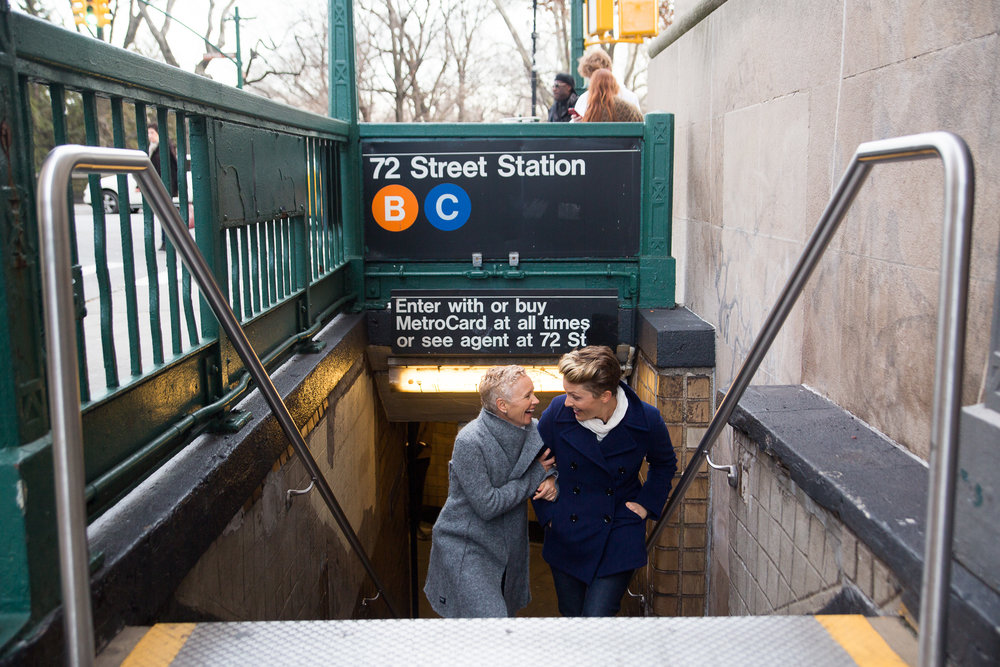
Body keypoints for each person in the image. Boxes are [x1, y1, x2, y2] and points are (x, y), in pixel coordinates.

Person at [533, 346, 677, 617]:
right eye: (566, 393)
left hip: (618, 532)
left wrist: (646, 505)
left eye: (575, 396)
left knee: (598, 618)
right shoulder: (557, 413)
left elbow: (664, 464)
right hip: (567, 532)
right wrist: (550, 515)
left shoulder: (646, 419)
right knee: (573, 618)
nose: (567, 402)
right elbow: (535, 462)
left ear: (605, 396)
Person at [423, 366, 558, 618]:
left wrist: (551, 479)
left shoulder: (534, 430)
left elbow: (552, 463)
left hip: (507, 546)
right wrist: (537, 475)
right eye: (527, 396)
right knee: (492, 623)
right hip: (467, 546)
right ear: (502, 405)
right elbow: (488, 505)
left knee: (496, 625)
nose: (536, 401)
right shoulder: (470, 441)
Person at [573, 47, 640, 118]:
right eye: (590, 78)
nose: (594, 82)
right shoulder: (583, 99)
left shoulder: (628, 97)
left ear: (608, 70)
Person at [147, 126, 178, 250]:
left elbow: (173, 168)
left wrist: (176, 187)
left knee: (165, 214)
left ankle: (168, 241)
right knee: (163, 214)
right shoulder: (152, 149)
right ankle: (167, 240)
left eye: (152, 132)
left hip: (165, 186)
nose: (150, 135)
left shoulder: (164, 148)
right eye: (148, 132)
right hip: (157, 186)